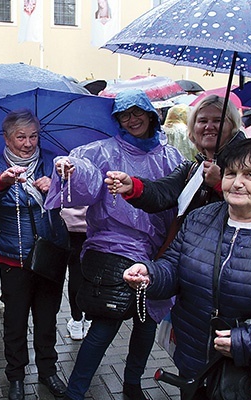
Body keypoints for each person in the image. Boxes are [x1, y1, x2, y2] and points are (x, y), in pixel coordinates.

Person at [124, 139, 251, 396]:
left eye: (250, 175)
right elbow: (174, 266)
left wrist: (247, 342)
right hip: (194, 362)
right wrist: (150, 275)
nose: (237, 183)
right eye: (230, 173)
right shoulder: (199, 219)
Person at [45, 89, 184, 400]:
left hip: (157, 253)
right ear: (117, 119)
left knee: (147, 322)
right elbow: (86, 173)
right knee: (106, 324)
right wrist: (69, 167)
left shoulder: (171, 156)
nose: (132, 119)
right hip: (114, 248)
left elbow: (180, 199)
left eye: (137, 112)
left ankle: (132, 384)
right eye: (124, 114)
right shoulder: (104, 151)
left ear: (151, 114)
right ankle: (76, 390)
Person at [0, 109, 69, 400]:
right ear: (7, 138)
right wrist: (1, 182)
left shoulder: (52, 162)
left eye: (34, 136)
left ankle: (48, 371)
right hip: (14, 258)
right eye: (21, 137)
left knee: (47, 318)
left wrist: (58, 187)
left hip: (50, 255)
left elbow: (76, 198)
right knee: (14, 322)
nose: (28, 143)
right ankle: (15, 376)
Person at [111, 95, 248, 256]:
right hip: (191, 261)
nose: (209, 127)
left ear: (232, 126)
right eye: (202, 121)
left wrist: (220, 185)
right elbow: (162, 193)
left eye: (217, 120)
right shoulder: (193, 169)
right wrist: (133, 186)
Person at [61, 206, 90, 340]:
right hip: (94, 224)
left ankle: (77, 320)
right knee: (92, 274)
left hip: (69, 224)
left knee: (75, 273)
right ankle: (89, 319)